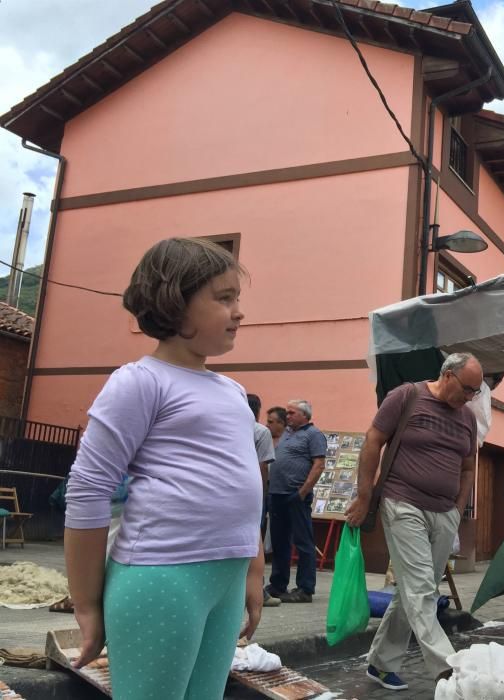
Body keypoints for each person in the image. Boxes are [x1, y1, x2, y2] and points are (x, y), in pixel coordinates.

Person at [64, 237, 263, 699]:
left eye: (238, 299)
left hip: (226, 579)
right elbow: (88, 489)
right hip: (163, 577)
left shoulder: (232, 390)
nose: (239, 312)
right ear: (176, 303)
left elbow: (243, 489)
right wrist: (87, 604)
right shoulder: (140, 382)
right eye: (224, 298)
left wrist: (253, 573)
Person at [345, 352, 480, 691]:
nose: (469, 397)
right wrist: (364, 496)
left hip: (443, 513)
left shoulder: (467, 417)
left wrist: (457, 508)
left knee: (412, 593)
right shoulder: (407, 396)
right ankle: (451, 672)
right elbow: (373, 441)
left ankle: (380, 663)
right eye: (467, 389)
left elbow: (467, 467)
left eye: (475, 392)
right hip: (403, 503)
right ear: (447, 375)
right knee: (422, 591)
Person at [266, 399, 326, 603]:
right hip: (277, 494)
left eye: (292, 413)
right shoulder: (287, 434)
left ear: (304, 416)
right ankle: (278, 584)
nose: (288, 416)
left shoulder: (313, 434)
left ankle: (305, 588)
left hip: (295, 495)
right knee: (280, 542)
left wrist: (302, 492)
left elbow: (318, 465)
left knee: (303, 542)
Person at [247, 393, 280, 608]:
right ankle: (257, 591)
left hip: (223, 492)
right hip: (251, 492)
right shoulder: (260, 432)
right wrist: (264, 491)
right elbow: (262, 466)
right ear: (258, 410)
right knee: (254, 542)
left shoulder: (227, 428)